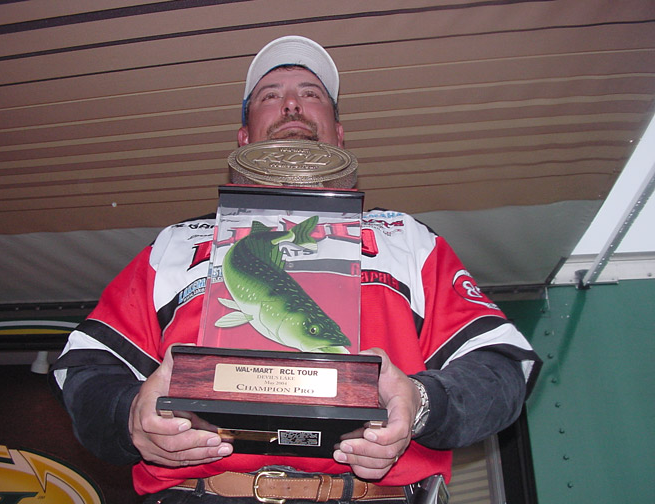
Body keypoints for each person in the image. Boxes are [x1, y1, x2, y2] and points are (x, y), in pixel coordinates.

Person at [50, 35, 541, 503]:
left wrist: (421, 402)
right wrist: (128, 415)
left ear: (339, 132)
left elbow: (502, 367)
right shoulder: (176, 244)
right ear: (244, 135)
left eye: (311, 94)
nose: (291, 105)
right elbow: (87, 366)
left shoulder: (407, 238)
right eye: (271, 95)